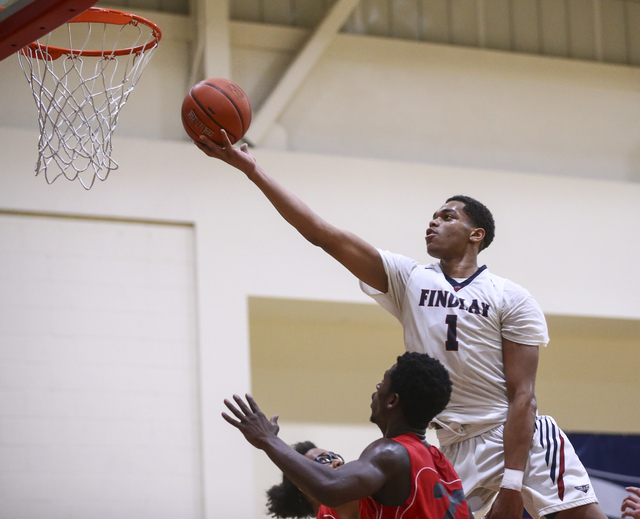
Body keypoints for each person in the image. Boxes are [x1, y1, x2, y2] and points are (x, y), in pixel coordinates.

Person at [196, 132, 607, 519]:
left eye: (447, 217)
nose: (433, 222)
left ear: (475, 235)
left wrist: (513, 484)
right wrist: (253, 170)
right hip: (451, 445)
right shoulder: (409, 279)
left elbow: (524, 397)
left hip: (515, 436)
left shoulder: (511, 296)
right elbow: (324, 235)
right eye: (432, 216)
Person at [223, 351, 470, 519]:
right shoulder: (439, 461)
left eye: (383, 382)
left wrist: (269, 440)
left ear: (393, 400)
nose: (377, 387)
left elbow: (330, 486)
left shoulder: (389, 452)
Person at [265, 440, 358, 519]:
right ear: (304, 485)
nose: (338, 462)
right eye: (323, 460)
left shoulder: (362, 494)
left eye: (334, 457)